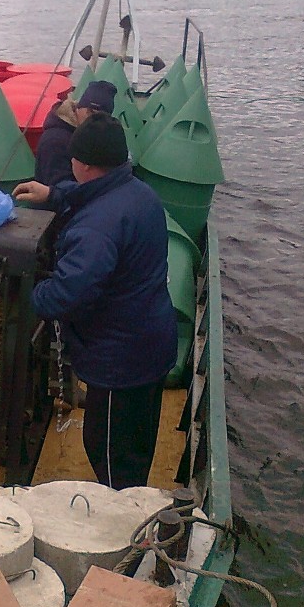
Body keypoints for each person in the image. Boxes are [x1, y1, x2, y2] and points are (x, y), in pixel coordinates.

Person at [14, 112, 177, 489]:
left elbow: (68, 295)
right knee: (138, 445)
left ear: (84, 164)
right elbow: (98, 193)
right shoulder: (139, 193)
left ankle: (124, 528)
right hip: (151, 343)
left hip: (120, 361)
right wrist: (54, 194)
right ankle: (133, 500)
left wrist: (26, 293)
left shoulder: (96, 228)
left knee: (109, 454)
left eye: (73, 159)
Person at [34, 79, 118, 187]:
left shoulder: (93, 134)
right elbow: (56, 189)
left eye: (101, 118)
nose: (93, 120)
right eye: (90, 112)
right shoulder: (54, 141)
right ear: (79, 107)